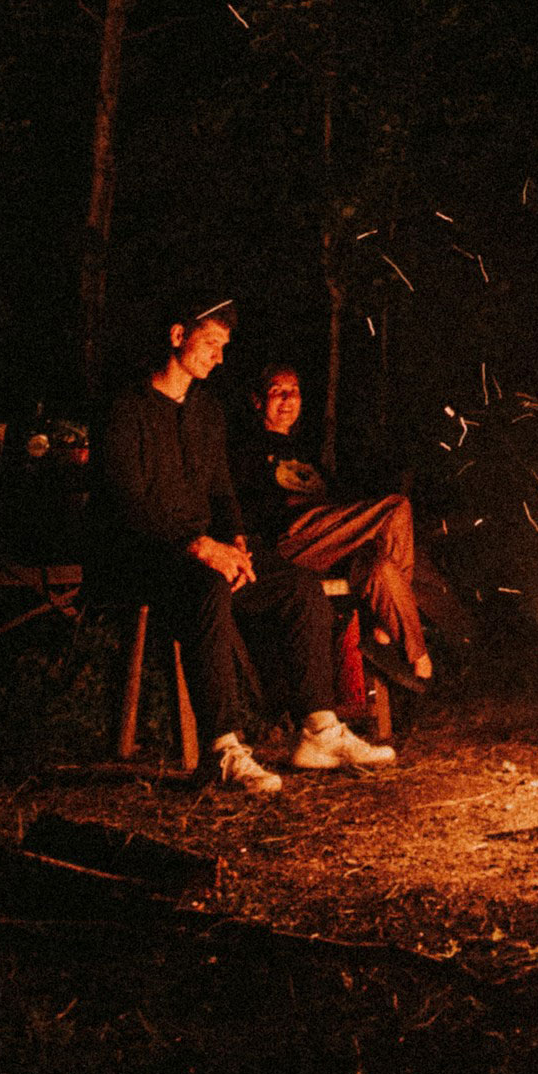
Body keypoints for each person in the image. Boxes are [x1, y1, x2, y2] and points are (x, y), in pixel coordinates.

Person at [89, 299, 396, 795]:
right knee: (208, 585)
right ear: (176, 337)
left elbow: (221, 492)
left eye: (223, 347)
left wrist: (234, 539)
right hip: (142, 554)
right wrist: (198, 546)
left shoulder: (206, 411)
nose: (219, 356)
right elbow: (127, 503)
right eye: (210, 343)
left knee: (298, 586)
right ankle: (224, 749)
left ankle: (319, 729)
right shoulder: (127, 409)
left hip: (203, 548)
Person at [230, 364, 434, 691]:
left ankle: (392, 640)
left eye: (293, 391)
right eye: (276, 391)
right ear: (258, 401)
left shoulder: (307, 453)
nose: (287, 399)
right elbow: (244, 507)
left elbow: (339, 502)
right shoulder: (247, 449)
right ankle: (411, 647)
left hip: (329, 541)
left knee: (381, 567)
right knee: (396, 507)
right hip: (289, 540)